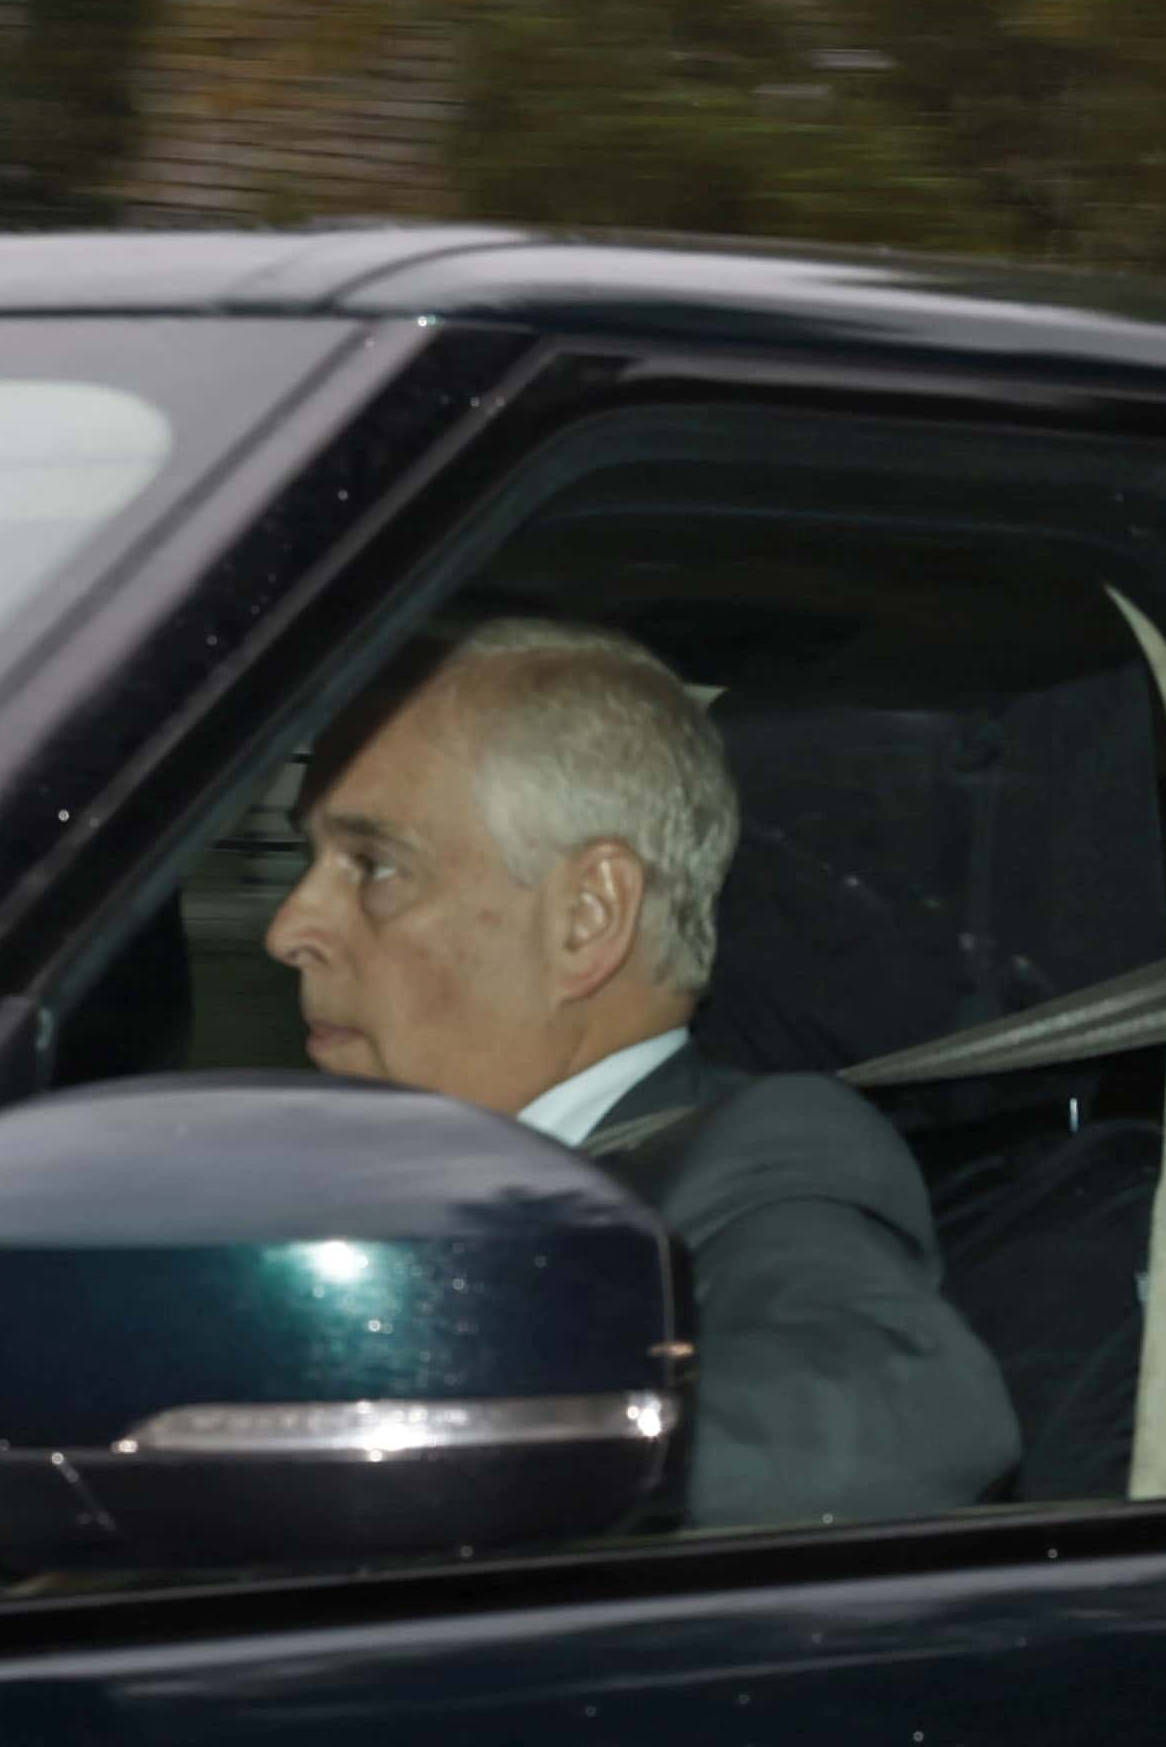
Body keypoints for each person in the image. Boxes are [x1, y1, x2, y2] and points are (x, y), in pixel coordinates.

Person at [267, 618, 1017, 1527]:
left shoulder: (762, 1151)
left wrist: (397, 1439)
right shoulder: (338, 1179)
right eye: (310, 861)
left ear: (586, 918)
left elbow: (908, 1418)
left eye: (375, 866)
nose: (289, 928)